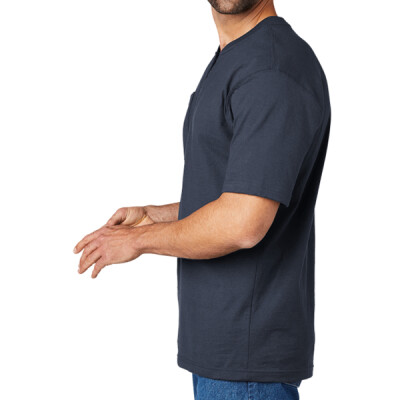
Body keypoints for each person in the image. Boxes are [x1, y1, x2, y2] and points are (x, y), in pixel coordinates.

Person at [73, 0, 331, 398]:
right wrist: (156, 217)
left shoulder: (271, 69)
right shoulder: (237, 57)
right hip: (226, 357)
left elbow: (243, 222)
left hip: (246, 364)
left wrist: (138, 241)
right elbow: (236, 195)